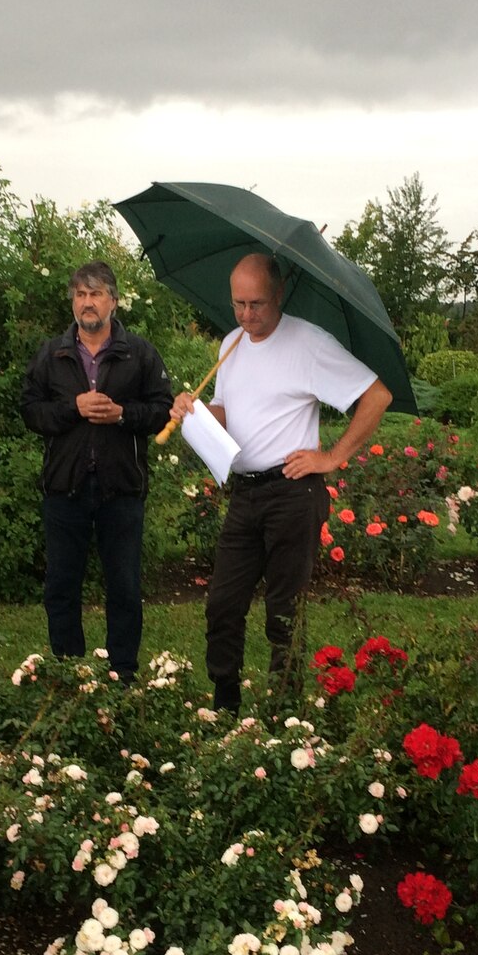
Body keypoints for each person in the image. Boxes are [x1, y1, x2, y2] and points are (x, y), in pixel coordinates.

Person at [168, 252, 392, 712]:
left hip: (293, 493)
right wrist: (193, 412)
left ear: (279, 294)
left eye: (257, 304)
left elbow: (377, 396)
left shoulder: (309, 343)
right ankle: (225, 705)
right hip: (245, 492)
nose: (247, 315)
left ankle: (284, 714)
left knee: (283, 612)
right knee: (223, 605)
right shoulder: (231, 343)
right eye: (238, 304)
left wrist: (332, 456)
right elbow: (228, 412)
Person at [20, 261, 173, 680]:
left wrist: (122, 414)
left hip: (120, 487)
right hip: (64, 487)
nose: (88, 303)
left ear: (114, 300)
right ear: (73, 301)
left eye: (96, 293)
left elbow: (162, 411)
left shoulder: (139, 353)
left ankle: (122, 675)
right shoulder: (51, 353)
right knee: (61, 587)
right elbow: (30, 411)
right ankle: (71, 673)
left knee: (124, 587)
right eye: (80, 294)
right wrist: (74, 409)